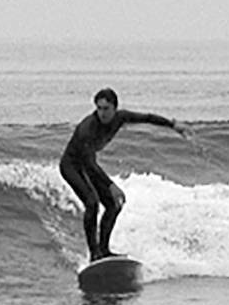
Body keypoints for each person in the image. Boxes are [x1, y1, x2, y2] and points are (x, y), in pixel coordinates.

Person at [60, 87, 189, 261]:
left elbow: (147, 118)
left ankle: (104, 251)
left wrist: (173, 125)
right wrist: (110, 185)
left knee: (113, 205)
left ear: (114, 108)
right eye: (99, 108)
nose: (102, 113)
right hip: (71, 166)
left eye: (106, 109)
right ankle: (94, 255)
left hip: (87, 165)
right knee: (92, 203)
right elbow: (89, 164)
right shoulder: (87, 128)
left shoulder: (120, 117)